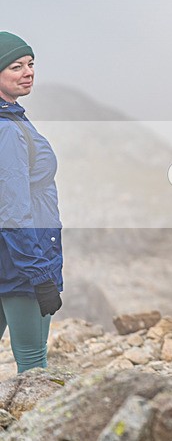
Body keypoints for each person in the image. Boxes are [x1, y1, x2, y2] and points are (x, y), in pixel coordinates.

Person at [0, 32, 64, 373]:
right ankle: (34, 426)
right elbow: (12, 210)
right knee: (33, 362)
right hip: (21, 261)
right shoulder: (8, 130)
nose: (28, 72)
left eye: (31, 64)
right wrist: (40, 274)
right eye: (15, 66)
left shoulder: (13, 119)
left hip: (10, 258)